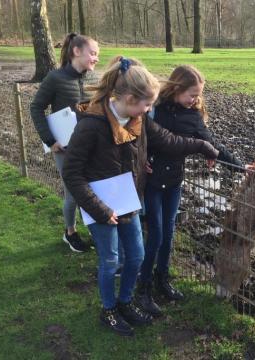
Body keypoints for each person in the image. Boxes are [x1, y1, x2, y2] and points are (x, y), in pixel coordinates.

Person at [62, 57, 219, 336]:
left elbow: (170, 141)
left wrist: (203, 146)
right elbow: (72, 173)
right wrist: (99, 209)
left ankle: (126, 302)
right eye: (146, 104)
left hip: (127, 201)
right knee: (110, 260)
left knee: (136, 256)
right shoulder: (91, 126)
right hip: (101, 207)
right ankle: (109, 310)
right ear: (130, 98)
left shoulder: (139, 119)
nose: (149, 110)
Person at [137, 65, 242, 317]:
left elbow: (210, 142)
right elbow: (137, 136)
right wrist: (142, 158)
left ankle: (163, 280)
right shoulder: (154, 109)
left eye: (198, 95)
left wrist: (238, 165)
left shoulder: (193, 116)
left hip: (173, 182)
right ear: (176, 88)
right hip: (151, 182)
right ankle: (144, 288)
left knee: (169, 232)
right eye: (192, 95)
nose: (196, 100)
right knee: (156, 234)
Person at [30, 33, 99, 253]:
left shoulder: (90, 79)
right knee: (73, 193)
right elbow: (36, 108)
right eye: (93, 53)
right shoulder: (55, 78)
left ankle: (95, 232)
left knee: (90, 191)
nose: (96, 58)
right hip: (65, 148)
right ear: (76, 51)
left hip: (89, 147)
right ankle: (70, 233)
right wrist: (50, 141)